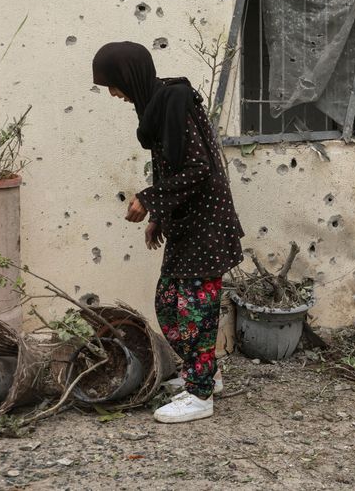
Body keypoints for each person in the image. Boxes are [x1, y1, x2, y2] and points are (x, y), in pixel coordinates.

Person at [92, 41, 244, 423]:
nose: (113, 94)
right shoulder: (157, 107)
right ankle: (207, 374)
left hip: (205, 226)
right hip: (186, 225)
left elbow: (198, 170)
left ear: (129, 76)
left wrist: (149, 198)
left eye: (113, 84)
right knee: (168, 304)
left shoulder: (176, 102)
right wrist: (159, 214)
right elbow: (171, 165)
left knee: (193, 311)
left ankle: (200, 395)